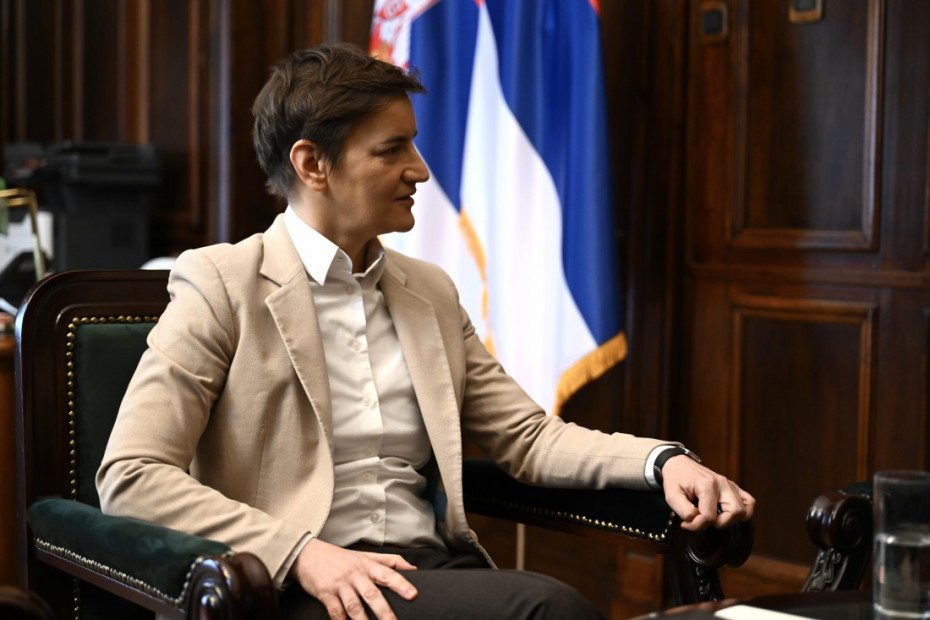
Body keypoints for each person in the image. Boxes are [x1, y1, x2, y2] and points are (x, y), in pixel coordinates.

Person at [96, 43, 754, 620]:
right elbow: (131, 473)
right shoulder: (221, 282)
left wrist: (662, 461)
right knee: (549, 608)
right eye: (392, 150)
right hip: (287, 587)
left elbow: (527, 438)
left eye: (412, 144)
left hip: (425, 573)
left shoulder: (429, 291)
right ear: (312, 163)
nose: (421, 169)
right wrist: (300, 553)